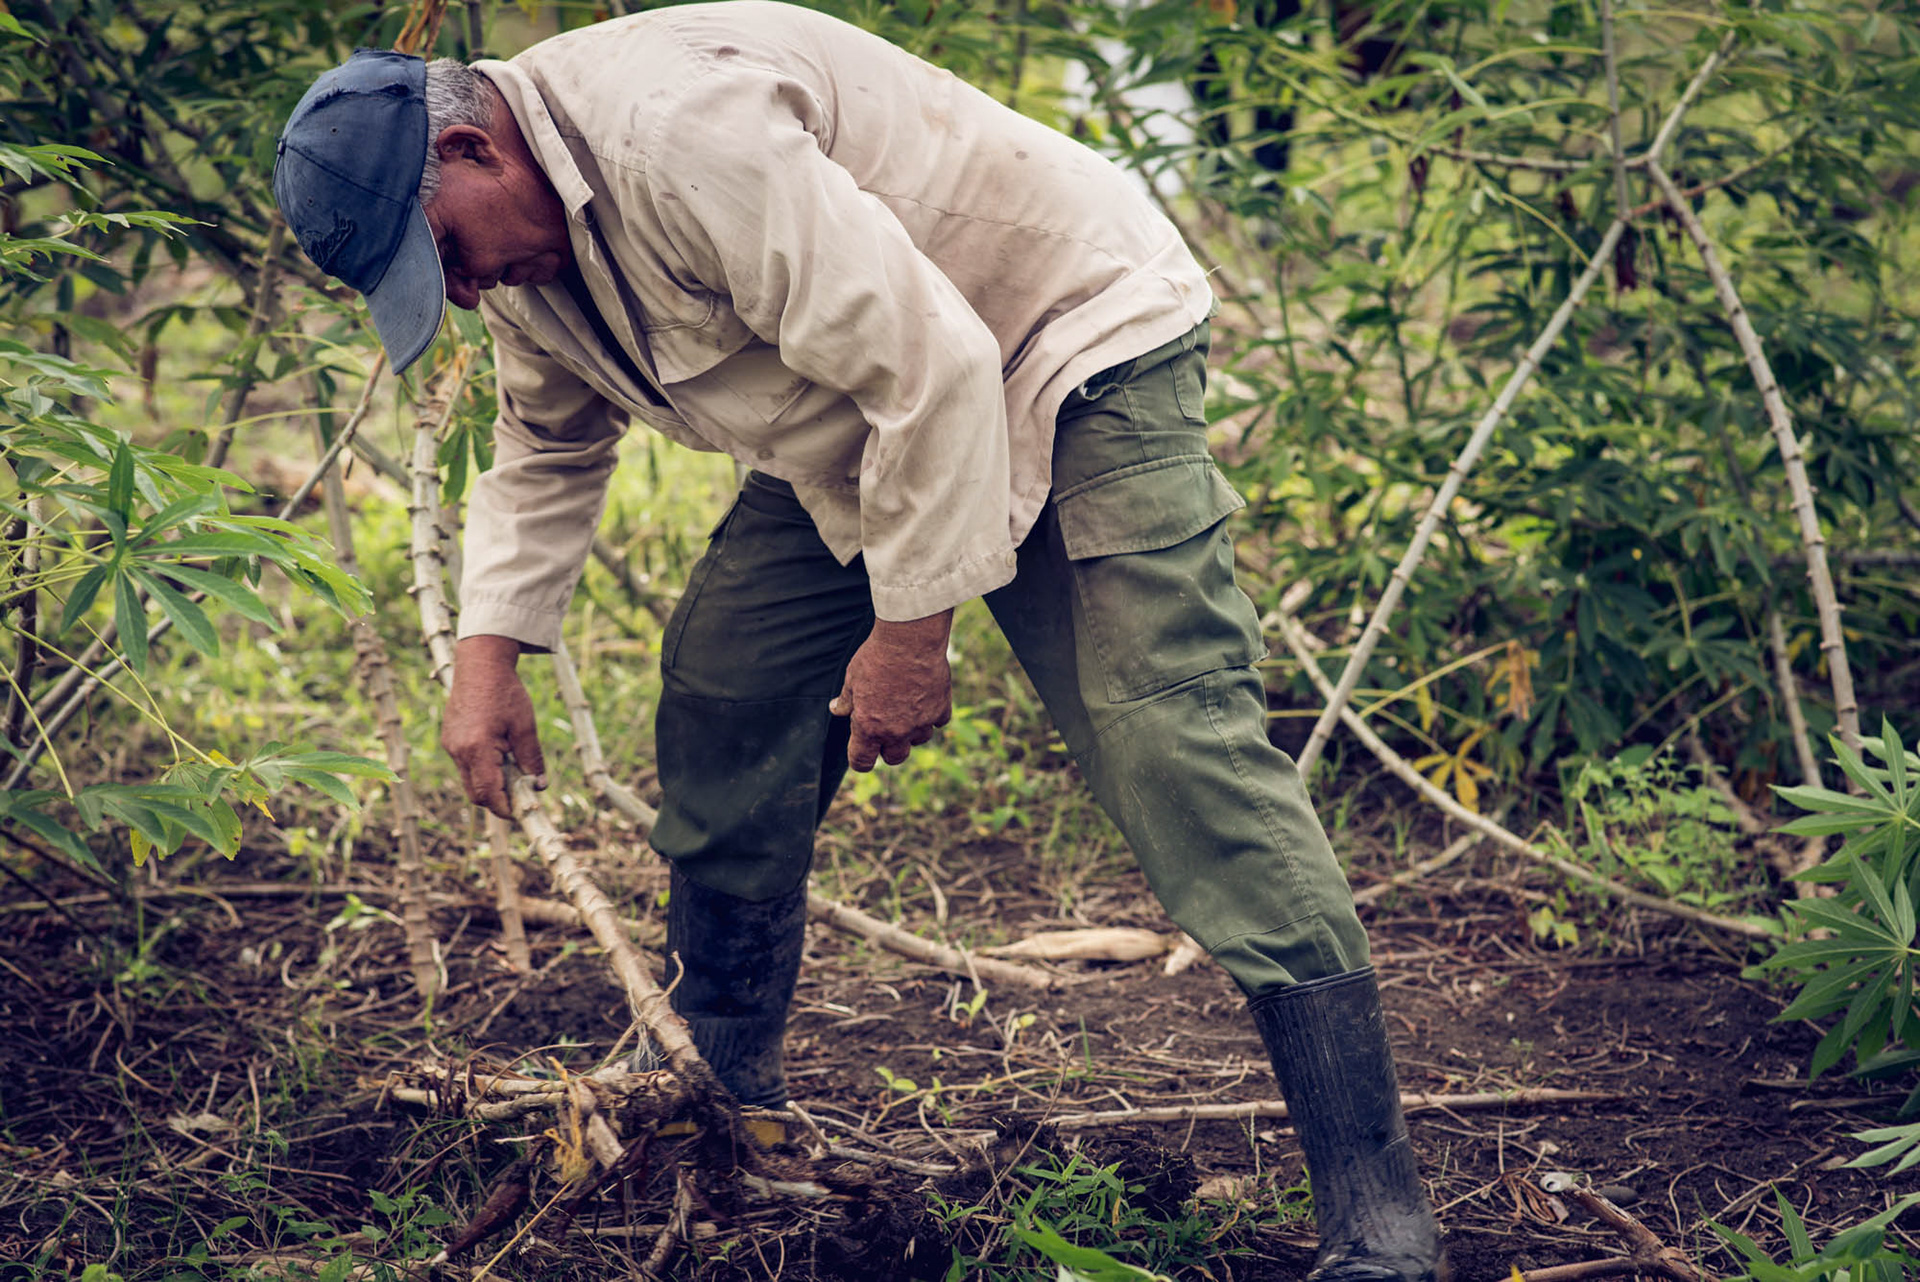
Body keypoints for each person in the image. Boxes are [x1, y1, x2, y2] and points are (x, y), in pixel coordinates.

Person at [272, 6, 1444, 1278]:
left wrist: (909, 632)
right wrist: (486, 655)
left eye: (443, 250)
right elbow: (550, 443)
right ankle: (719, 1081)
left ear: (475, 146)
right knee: (732, 681)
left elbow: (938, 360)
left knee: (1170, 735)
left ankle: (1376, 1210)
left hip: (1065, 345)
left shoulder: (679, 132)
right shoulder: (522, 258)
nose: (458, 288)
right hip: (860, 412)